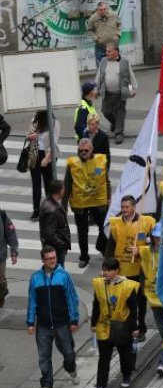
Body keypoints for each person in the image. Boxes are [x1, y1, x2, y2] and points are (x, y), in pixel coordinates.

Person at [26, 245, 80, 388]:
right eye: (49, 259)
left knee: (69, 353)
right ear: (42, 260)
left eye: (54, 258)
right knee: (44, 356)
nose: (52, 261)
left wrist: (74, 319)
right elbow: (32, 301)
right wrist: (30, 322)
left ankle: (71, 369)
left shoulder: (64, 276)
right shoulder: (35, 278)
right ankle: (46, 384)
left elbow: (72, 298)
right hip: (43, 325)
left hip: (62, 323)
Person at [105, 195, 156, 337]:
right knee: (124, 301)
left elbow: (155, 244)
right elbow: (110, 248)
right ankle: (127, 328)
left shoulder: (146, 223)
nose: (124, 210)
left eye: (127, 207)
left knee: (140, 301)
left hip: (140, 270)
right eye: (122, 207)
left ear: (134, 207)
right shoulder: (116, 225)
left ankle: (142, 328)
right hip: (122, 270)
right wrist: (106, 268)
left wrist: (140, 250)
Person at [89, 257, 139, 388]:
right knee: (104, 357)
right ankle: (100, 385)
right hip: (104, 325)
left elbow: (133, 308)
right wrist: (93, 323)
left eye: (109, 270)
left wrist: (134, 327)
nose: (106, 273)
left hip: (122, 326)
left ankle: (126, 375)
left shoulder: (128, 286)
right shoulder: (99, 284)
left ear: (117, 270)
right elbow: (96, 304)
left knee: (124, 353)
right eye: (104, 269)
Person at [63, 138, 110, 269]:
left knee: (104, 227)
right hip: (80, 203)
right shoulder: (73, 164)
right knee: (82, 231)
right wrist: (63, 205)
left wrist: (109, 197)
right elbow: (67, 184)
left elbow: (106, 180)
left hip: (98, 201)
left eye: (86, 150)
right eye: (81, 150)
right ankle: (84, 256)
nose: (83, 152)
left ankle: (101, 246)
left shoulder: (100, 160)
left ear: (92, 149)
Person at [137, 222, 163, 377]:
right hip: (153, 298)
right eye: (155, 236)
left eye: (160, 236)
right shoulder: (145, 251)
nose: (158, 239)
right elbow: (137, 247)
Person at [95, 44, 137, 145]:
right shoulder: (103, 61)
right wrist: (95, 89)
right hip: (107, 93)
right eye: (106, 51)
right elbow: (98, 76)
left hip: (120, 93)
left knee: (120, 113)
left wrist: (133, 89)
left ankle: (119, 133)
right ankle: (114, 123)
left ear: (116, 52)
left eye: (109, 51)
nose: (106, 53)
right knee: (105, 111)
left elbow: (130, 77)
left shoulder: (124, 62)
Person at [27, 110, 60, 219]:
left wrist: (46, 159)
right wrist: (30, 137)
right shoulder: (34, 120)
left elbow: (53, 142)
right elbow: (29, 136)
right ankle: (36, 209)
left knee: (48, 184)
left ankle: (49, 209)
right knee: (36, 184)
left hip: (48, 156)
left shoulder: (54, 123)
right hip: (35, 154)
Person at [39, 181, 71, 267]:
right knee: (58, 272)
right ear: (60, 190)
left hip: (52, 246)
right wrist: (62, 244)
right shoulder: (52, 209)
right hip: (56, 248)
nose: (64, 190)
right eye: (63, 188)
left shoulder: (47, 202)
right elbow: (50, 233)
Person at [86, 2, 120, 67]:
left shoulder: (113, 15)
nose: (103, 11)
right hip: (100, 47)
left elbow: (119, 24)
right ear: (98, 10)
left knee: (115, 67)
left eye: (104, 9)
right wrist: (95, 38)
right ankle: (102, 77)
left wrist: (118, 34)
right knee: (101, 68)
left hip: (113, 46)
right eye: (101, 10)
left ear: (107, 9)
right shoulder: (93, 18)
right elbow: (89, 30)